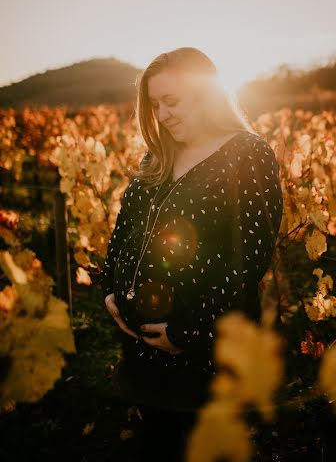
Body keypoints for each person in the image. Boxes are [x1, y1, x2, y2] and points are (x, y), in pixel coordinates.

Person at [101, 47, 283, 461]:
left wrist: (189, 334)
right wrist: (110, 290)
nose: (162, 114)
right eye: (154, 104)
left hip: (201, 352)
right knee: (157, 444)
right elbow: (124, 229)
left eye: (172, 101)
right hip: (142, 344)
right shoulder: (158, 156)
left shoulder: (246, 155)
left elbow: (248, 259)